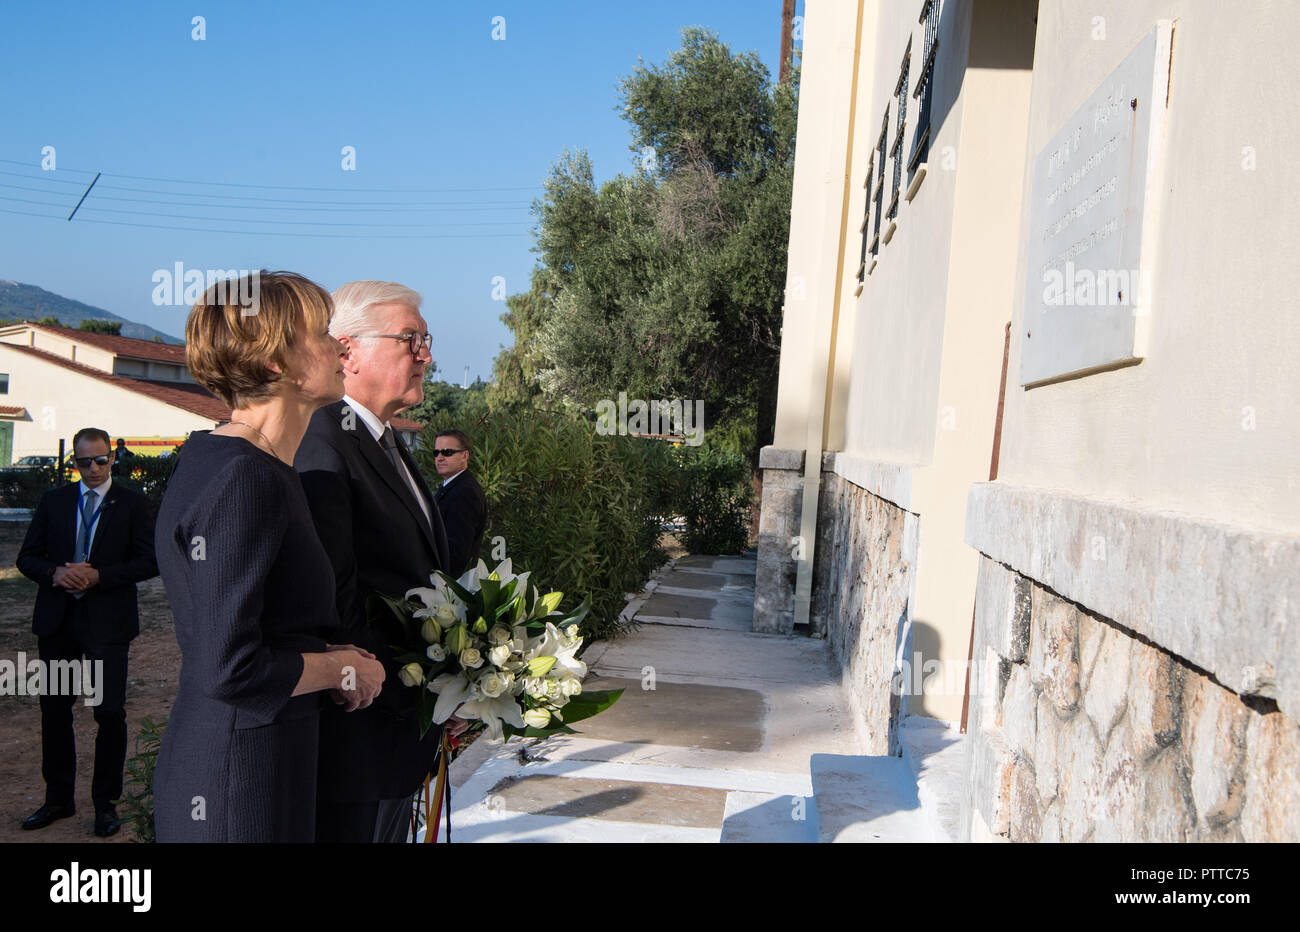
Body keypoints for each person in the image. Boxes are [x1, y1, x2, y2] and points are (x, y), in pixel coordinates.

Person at [152, 270, 385, 843]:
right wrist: (339, 668)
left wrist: (326, 650)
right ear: (276, 362)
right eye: (324, 334)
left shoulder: (247, 464)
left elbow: (256, 624)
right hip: (239, 780)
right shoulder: (244, 478)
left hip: (259, 756)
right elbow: (229, 665)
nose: (341, 347)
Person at [295, 280, 467, 844]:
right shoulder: (324, 442)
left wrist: (452, 687)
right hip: (359, 737)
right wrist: (425, 696)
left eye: (426, 339)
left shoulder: (387, 441)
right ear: (348, 350)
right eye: (410, 339)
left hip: (398, 732)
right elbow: (335, 608)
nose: (426, 355)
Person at [16, 427, 158, 837]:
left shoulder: (132, 503)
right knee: (55, 711)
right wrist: (54, 572)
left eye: (99, 460)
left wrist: (100, 576)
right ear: (73, 463)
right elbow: (28, 557)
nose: (92, 469)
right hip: (58, 623)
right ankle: (57, 800)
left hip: (106, 626)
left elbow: (150, 561)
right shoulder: (54, 501)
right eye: (83, 462)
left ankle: (106, 805)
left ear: (112, 457)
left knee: (108, 714)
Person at [431, 428, 487, 576]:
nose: (440, 457)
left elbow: (457, 552)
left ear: (465, 455)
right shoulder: (452, 486)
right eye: (436, 453)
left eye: (447, 452)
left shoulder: (465, 492)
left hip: (451, 585)